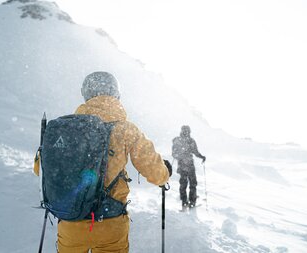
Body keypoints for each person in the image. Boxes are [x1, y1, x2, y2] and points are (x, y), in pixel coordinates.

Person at [35, 71, 172, 253]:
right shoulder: (126, 129)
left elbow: (40, 169)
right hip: (111, 224)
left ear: (86, 95)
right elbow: (155, 173)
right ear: (116, 94)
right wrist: (165, 174)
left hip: (71, 221)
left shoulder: (66, 129)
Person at [172, 125, 205, 208]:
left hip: (182, 165)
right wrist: (202, 157)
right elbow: (196, 152)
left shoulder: (177, 140)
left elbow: (174, 154)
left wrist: (180, 157)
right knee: (192, 183)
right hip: (189, 165)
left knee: (183, 183)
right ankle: (192, 201)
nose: (187, 132)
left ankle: (184, 201)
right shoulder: (190, 141)